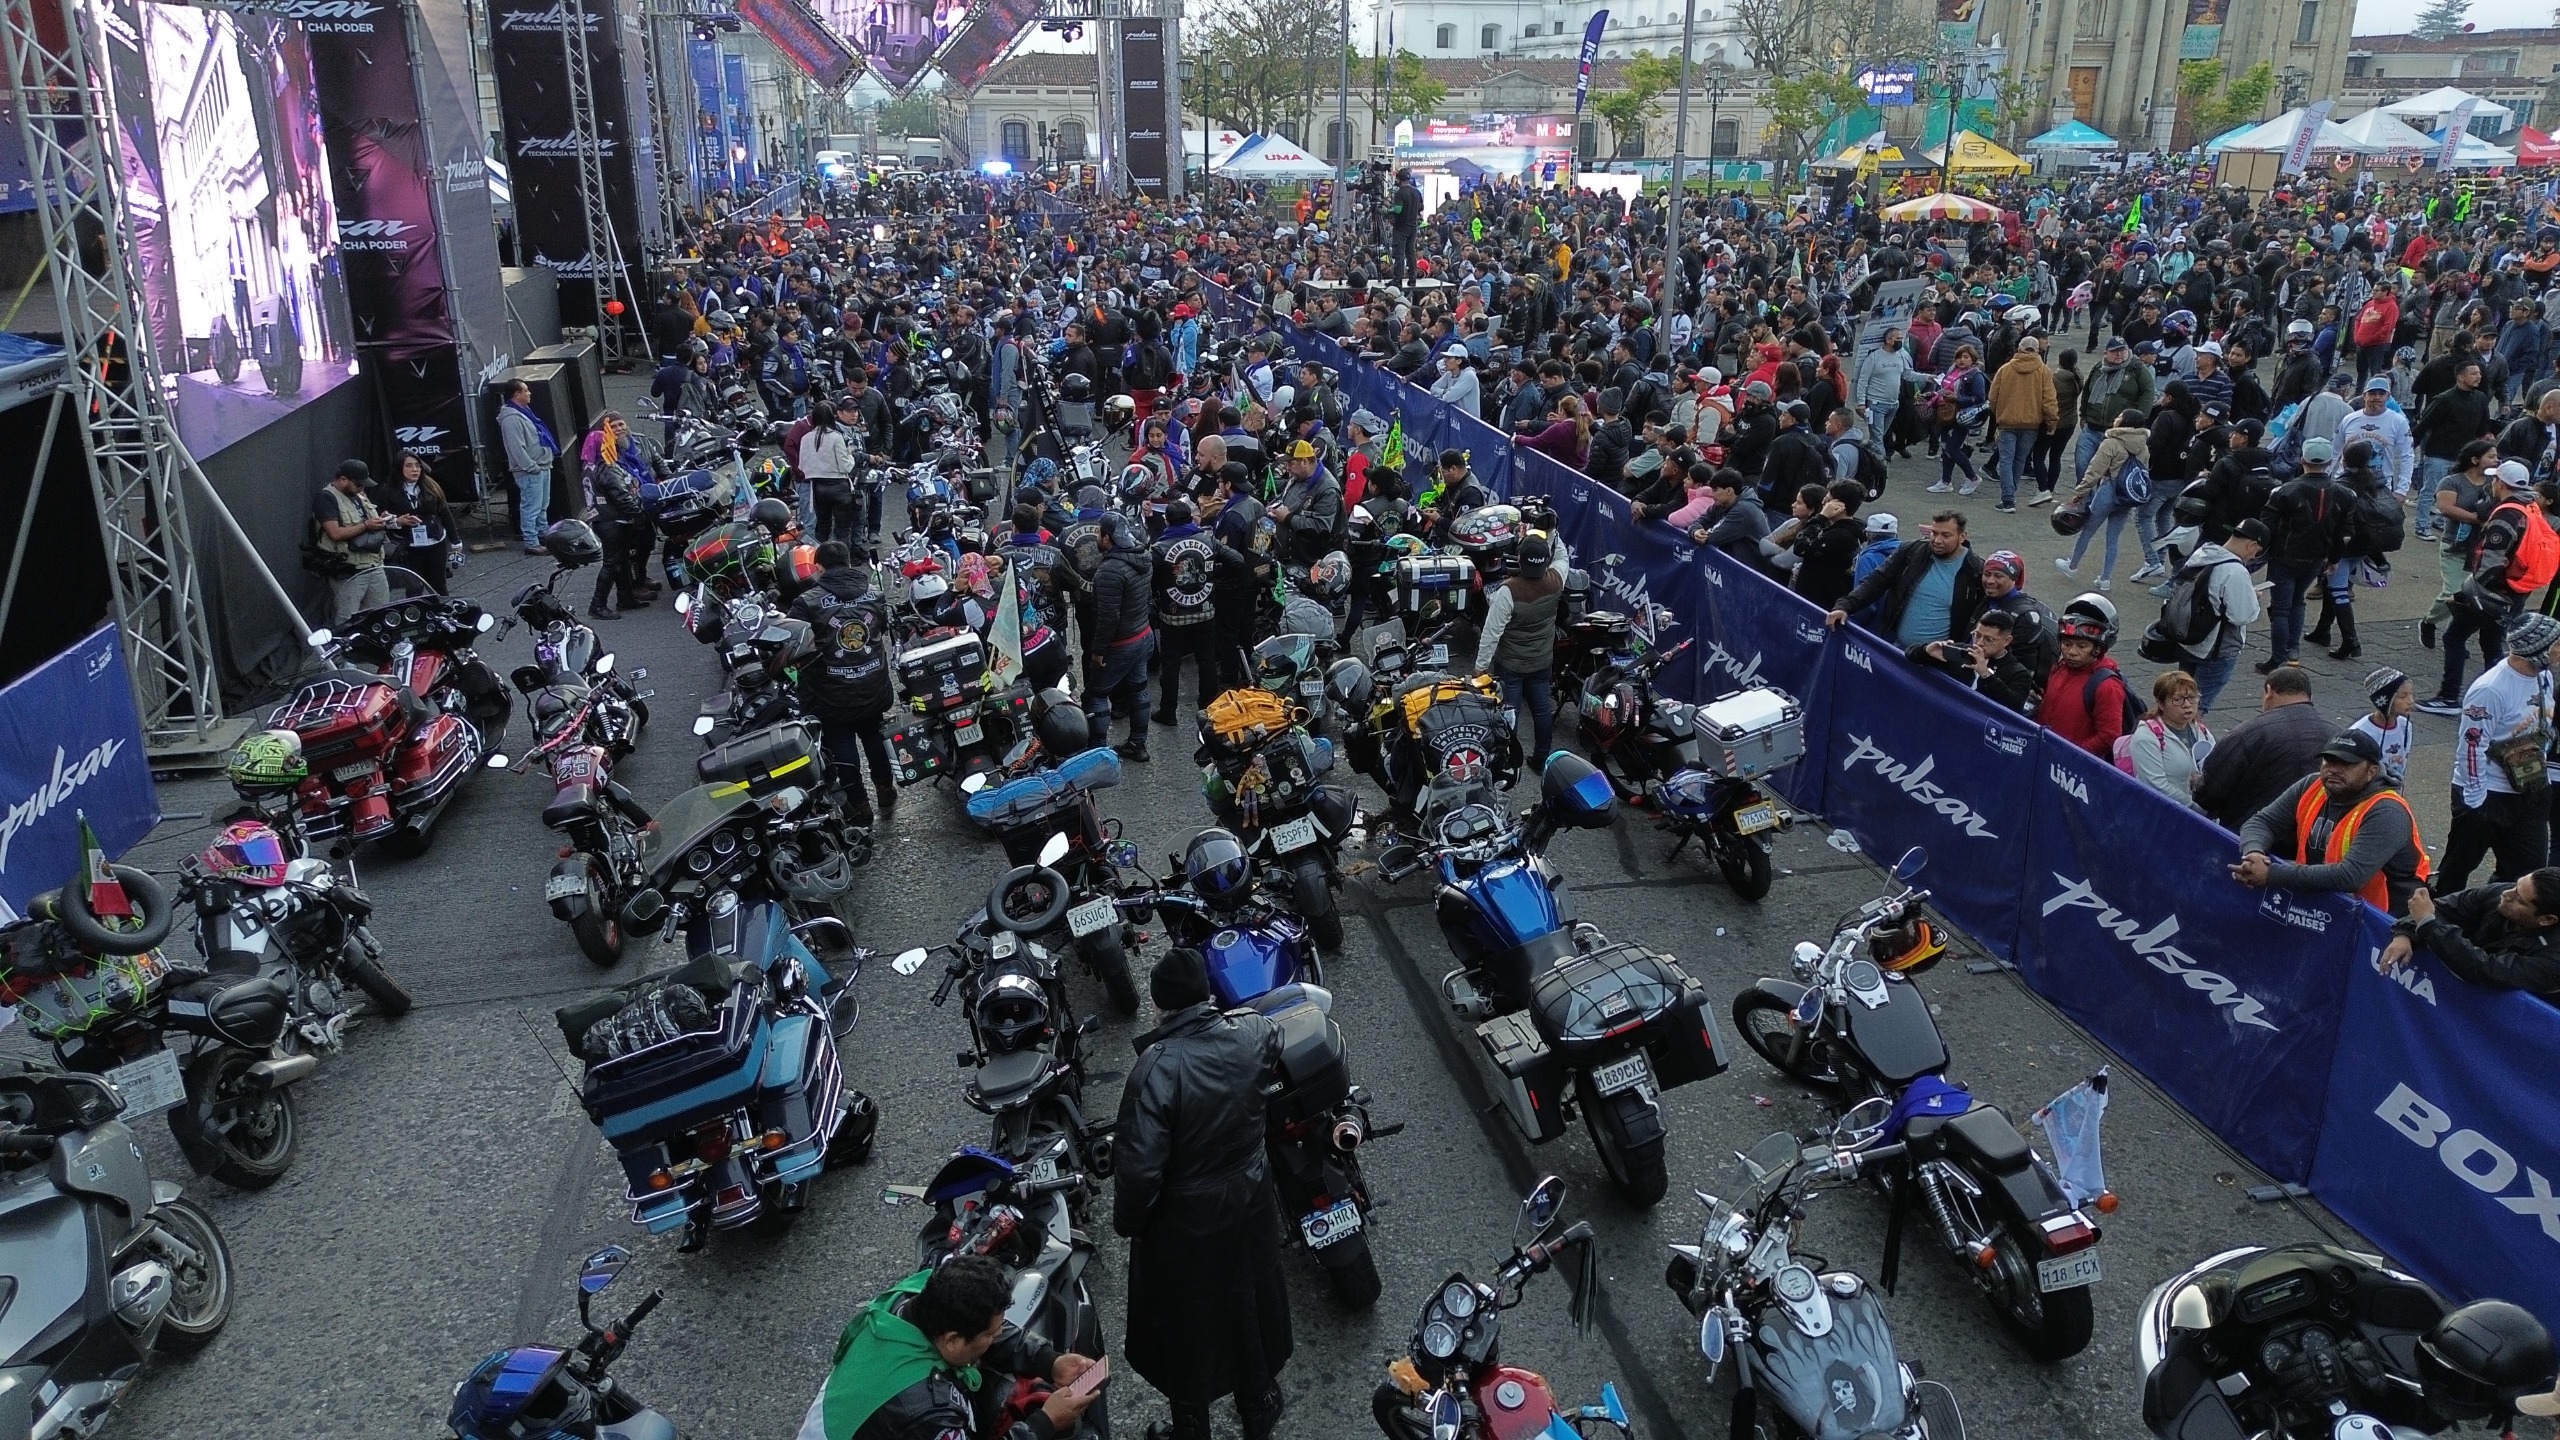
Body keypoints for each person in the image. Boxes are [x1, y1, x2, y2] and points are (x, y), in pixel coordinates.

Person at [1114, 950, 1292, 1440]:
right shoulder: (1253, 1032)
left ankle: (1191, 1428)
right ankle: (1259, 1406)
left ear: (1159, 1004)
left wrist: (1132, 1224)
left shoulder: (1155, 1068)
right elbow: (1272, 1037)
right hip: (1251, 1200)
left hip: (1185, 1224)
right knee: (1249, 1300)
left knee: (1185, 1325)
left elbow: (1138, 1173)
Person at [795, 1253, 1101, 1440]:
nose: (995, 1336)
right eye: (988, 1335)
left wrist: (1049, 1361)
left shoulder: (915, 1296)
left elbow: (983, 1326)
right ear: (952, 1340)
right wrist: (1045, 1423)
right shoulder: (927, 1411)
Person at [2232, 729, 2429, 916]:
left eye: (2347, 764)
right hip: (2327, 905)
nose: (2334, 770)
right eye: (2329, 761)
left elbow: (2350, 876)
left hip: (2382, 921)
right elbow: (2262, 822)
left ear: (2372, 771)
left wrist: (2271, 874)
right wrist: (2254, 853)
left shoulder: (2386, 811)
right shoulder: (2312, 785)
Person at [2437, 611, 2560, 891]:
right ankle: (2439, 919)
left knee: (2527, 877)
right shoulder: (2490, 690)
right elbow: (2471, 746)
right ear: (2536, 650)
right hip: (2488, 794)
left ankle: (2502, 922)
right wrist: (2476, 800)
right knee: (2457, 870)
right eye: (2556, 644)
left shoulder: (2544, 677)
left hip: (2531, 791)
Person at [2424, 460, 2556, 712]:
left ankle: (2449, 697)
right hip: (2517, 590)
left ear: (2500, 483)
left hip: (2494, 592)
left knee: (2454, 637)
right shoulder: (2531, 508)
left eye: (2495, 479)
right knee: (2491, 642)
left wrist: (2466, 593)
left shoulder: (2506, 514)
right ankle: (2504, 698)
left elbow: (2490, 561)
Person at [790, 541, 896, 826]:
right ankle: (886, 790)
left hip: (831, 694)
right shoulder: (876, 594)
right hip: (873, 686)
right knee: (874, 735)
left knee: (842, 746)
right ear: (848, 562)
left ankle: (860, 807)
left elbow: (794, 645)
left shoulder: (806, 602)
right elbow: (881, 629)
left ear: (818, 567)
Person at [2377, 871, 2560, 1004]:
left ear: (2546, 919)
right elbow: (2441, 908)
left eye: (2519, 900)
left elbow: (2486, 968)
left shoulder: (2554, 960)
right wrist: (2405, 934)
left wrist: (2427, 925)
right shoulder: (2501, 894)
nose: (2507, 894)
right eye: (2515, 884)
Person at [2193, 666, 2334, 832]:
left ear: (2269, 692)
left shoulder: (2249, 732)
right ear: (2310, 696)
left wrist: (2197, 784)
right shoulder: (2336, 734)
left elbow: (2210, 794)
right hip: (2310, 837)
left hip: (2252, 837)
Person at [2255, 437, 2355, 671]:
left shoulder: (2284, 491)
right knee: (2297, 601)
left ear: (2302, 460)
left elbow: (2266, 526)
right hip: (2316, 557)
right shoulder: (2344, 494)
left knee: (2280, 607)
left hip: (2285, 556)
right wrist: (2334, 559)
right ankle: (2293, 652)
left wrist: (2260, 552)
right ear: (2330, 461)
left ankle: (2278, 657)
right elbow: (2345, 532)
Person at [1825, 510, 1983, 649]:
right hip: (1898, 652)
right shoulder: (1912, 551)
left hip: (1940, 665)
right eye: (1934, 533)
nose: (1937, 540)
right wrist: (1845, 606)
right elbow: (1876, 581)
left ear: (1962, 536)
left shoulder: (1976, 569)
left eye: (1946, 535)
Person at [1478, 534, 1565, 763]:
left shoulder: (1508, 591)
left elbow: (1491, 633)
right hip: (1542, 662)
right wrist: (1553, 532)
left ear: (1519, 559)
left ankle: (1509, 761)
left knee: (1509, 714)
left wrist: (1480, 667)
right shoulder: (1557, 580)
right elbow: (1562, 556)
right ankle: (1541, 758)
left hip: (1511, 665)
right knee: (1542, 710)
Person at [2056, 408, 2156, 590]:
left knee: (2088, 529)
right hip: (2127, 496)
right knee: (2113, 538)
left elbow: (2095, 470)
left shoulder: (2111, 443)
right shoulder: (2143, 446)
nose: (2116, 418)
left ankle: (2072, 566)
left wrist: (2081, 492)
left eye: (2119, 416)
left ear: (2126, 422)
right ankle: (2105, 579)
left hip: (2109, 490)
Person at [1085, 513, 1157, 762]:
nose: (1096, 537)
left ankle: (1096, 754)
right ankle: (1138, 743)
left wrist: (1098, 651)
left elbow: (1108, 618)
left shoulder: (1109, 571)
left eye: (1098, 533)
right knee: (1138, 688)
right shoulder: (1143, 556)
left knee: (1096, 694)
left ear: (1107, 537)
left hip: (1121, 643)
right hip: (1143, 635)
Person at [1150, 500, 1220, 726]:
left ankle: (1168, 712)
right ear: (1191, 518)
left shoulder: (1159, 548)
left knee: (1171, 663)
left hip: (1173, 617)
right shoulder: (1208, 539)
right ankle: (1210, 709)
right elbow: (1236, 561)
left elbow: (1149, 580)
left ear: (1166, 521)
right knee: (1206, 660)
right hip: (1205, 613)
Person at [312, 459, 405, 620]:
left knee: (381, 612)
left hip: (375, 564)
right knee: (348, 617)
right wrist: (366, 525)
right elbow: (335, 534)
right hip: (349, 569)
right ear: (343, 480)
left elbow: (369, 519)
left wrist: (385, 520)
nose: (361, 489)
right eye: (358, 485)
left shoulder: (358, 495)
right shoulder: (325, 498)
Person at [2041, 593, 2130, 758]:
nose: (2071, 652)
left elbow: (2109, 734)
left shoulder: (2107, 686)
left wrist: (2075, 753)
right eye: (2066, 644)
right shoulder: (2058, 668)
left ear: (2097, 649)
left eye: (2082, 646)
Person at [1907, 608, 2035, 712]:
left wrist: (1987, 676)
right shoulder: (1962, 652)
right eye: (1977, 635)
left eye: (1988, 639)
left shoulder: (2018, 673)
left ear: (2007, 641)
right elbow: (1910, 655)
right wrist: (1926, 650)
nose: (1979, 643)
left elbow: (2015, 706)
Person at [1986, 334, 2058, 514]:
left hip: (2007, 422)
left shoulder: (2005, 369)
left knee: (2006, 460)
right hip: (2031, 424)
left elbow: (1992, 397)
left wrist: (1999, 413)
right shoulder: (2043, 371)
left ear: (2019, 348)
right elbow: (2049, 400)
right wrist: (2052, 421)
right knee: (2020, 459)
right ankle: (2011, 495)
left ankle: (2008, 499)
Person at [2124, 670, 2214, 808]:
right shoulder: (2146, 738)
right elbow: (2157, 786)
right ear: (2161, 704)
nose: (2187, 704)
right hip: (2162, 813)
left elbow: (2216, 766)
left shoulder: (2201, 731)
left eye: (2192, 697)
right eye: (2177, 700)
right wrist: (2197, 809)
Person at [373, 450, 455, 595]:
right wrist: (397, 521)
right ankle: (415, 616)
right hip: (409, 546)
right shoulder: (387, 491)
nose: (415, 470)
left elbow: (444, 512)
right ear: (399, 468)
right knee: (414, 588)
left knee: (439, 585)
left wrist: (456, 540)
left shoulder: (431, 485)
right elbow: (378, 519)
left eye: (417, 465)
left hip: (436, 542)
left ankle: (443, 615)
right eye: (409, 466)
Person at [498, 379, 559, 554]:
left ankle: (543, 534)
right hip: (530, 470)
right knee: (531, 507)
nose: (529, 393)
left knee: (541, 506)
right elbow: (516, 448)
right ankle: (531, 543)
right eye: (526, 390)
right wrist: (531, 466)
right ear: (517, 394)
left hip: (542, 466)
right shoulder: (511, 419)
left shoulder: (524, 412)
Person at [2351, 667, 2418, 789]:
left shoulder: (2405, 726)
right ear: (2385, 701)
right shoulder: (2361, 733)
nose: (2411, 701)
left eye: (2411, 694)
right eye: (2403, 696)